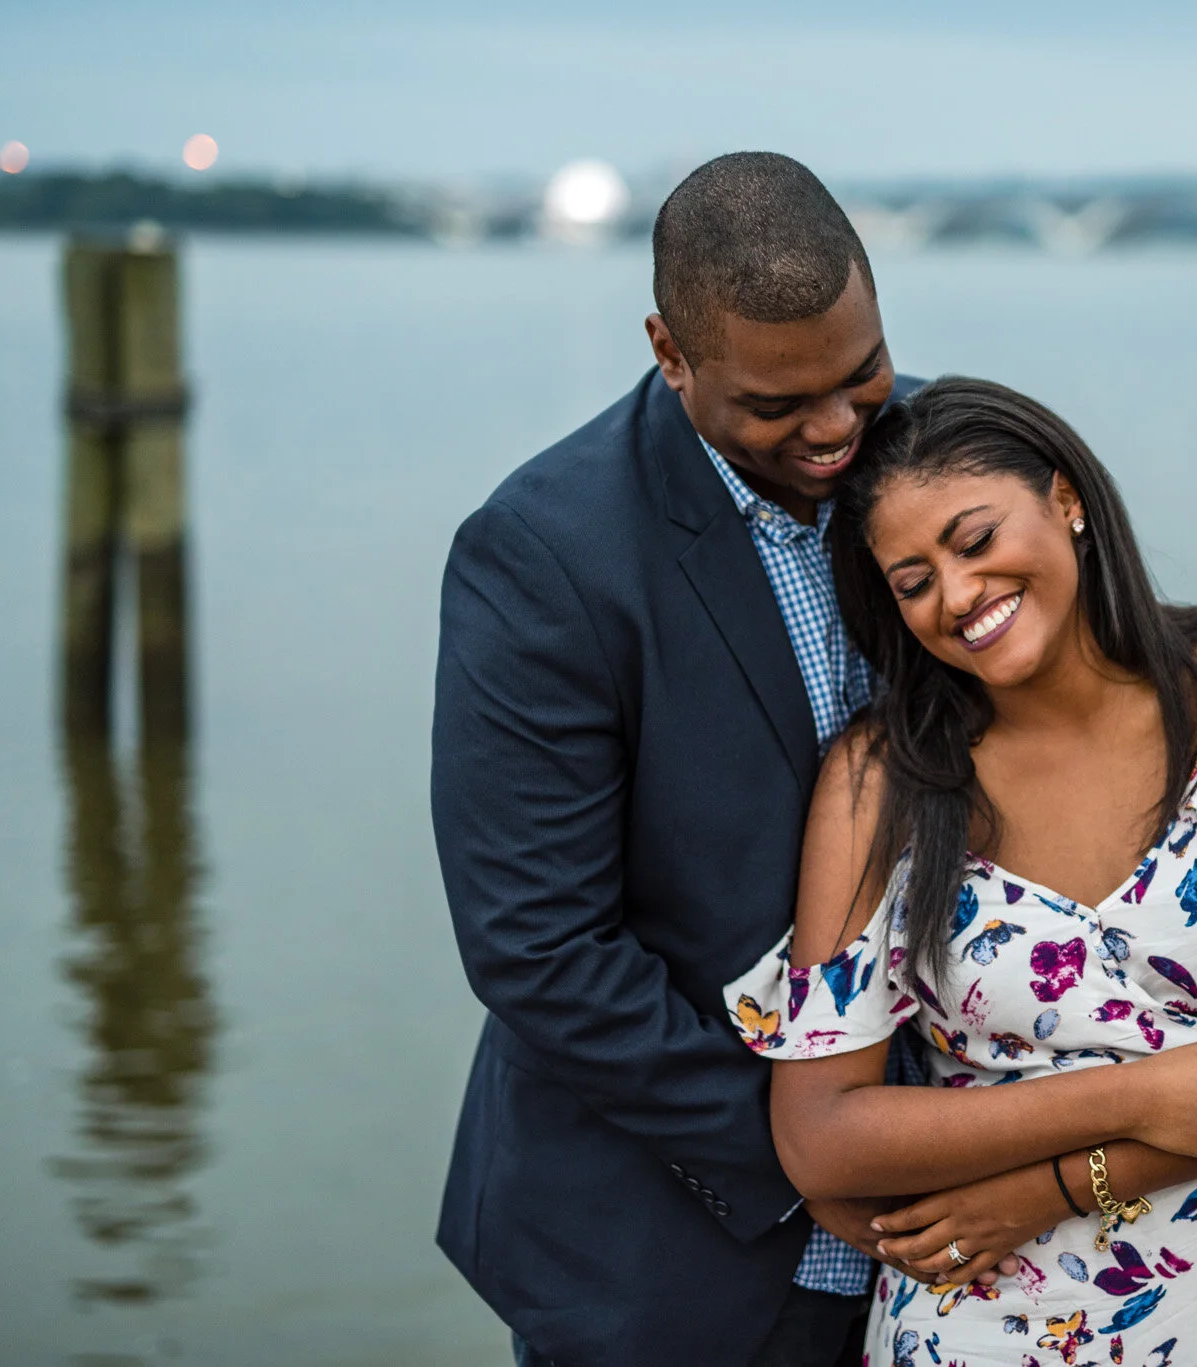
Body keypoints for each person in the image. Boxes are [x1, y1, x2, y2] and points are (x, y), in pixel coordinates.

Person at [725, 378, 1197, 1365]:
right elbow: (821, 1132)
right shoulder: (879, 779)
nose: (957, 594)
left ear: (1065, 499)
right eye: (912, 580)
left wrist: (1046, 1187)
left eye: (973, 541)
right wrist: (1134, 1098)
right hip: (989, 1322)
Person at [431, 152, 921, 1367]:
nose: (833, 430)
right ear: (669, 349)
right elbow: (539, 949)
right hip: (672, 1255)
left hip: (959, 1237)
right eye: (775, 403)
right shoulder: (543, 555)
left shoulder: (940, 458)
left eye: (859, 375)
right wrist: (828, 1153)